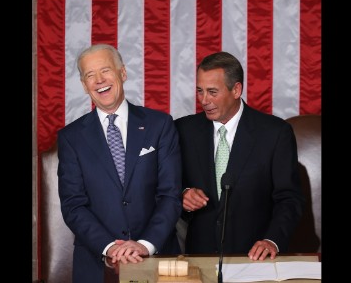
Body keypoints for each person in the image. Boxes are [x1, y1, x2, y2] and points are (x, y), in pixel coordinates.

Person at [57, 44, 183, 282]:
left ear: (122, 73)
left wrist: (145, 245)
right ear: (84, 86)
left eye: (105, 70)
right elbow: (73, 204)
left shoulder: (160, 125)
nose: (99, 80)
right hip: (96, 265)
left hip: (157, 260)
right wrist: (109, 247)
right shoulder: (70, 137)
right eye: (90, 75)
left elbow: (170, 195)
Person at [174, 51, 305, 260]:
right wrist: (183, 194)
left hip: (254, 257)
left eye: (212, 92)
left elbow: (289, 199)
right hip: (199, 257)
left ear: (236, 90)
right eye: (200, 91)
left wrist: (272, 240)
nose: (204, 100)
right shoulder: (183, 130)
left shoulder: (274, 133)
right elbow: (167, 185)